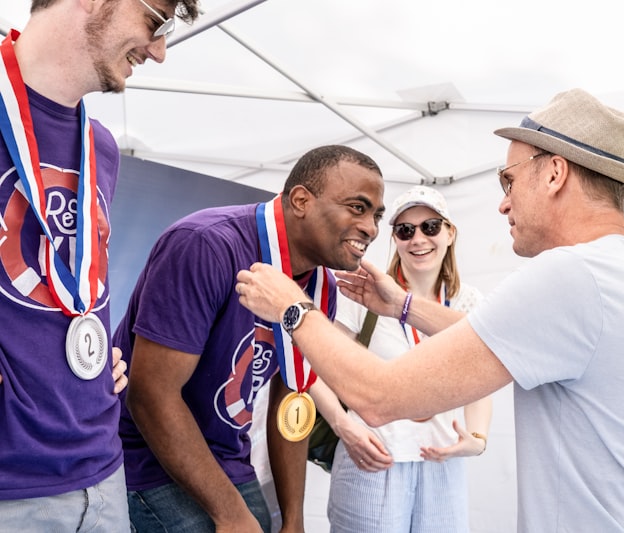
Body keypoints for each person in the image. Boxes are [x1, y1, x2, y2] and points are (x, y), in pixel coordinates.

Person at [235, 88, 624, 532]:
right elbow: (494, 335)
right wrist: (403, 306)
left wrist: (291, 307)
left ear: (555, 173)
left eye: (507, 181)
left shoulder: (572, 276)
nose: (503, 206)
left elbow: (378, 396)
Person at [0, 0, 199, 530]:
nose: (158, 51)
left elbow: (73, 279)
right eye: (156, 22)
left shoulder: (100, 147)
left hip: (102, 472)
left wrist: (87, 360)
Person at [113, 145, 385, 532]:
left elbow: (292, 399)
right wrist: (231, 515)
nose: (371, 228)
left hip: (227, 458)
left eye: (376, 215)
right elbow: (151, 395)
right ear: (302, 200)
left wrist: (293, 519)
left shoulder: (322, 287)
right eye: (358, 207)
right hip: (144, 461)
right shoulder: (206, 244)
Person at [318, 185, 492, 532]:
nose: (418, 239)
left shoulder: (467, 302)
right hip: (373, 458)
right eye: (405, 230)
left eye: (430, 226)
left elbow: (482, 379)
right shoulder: (365, 291)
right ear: (394, 238)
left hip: (442, 463)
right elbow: (319, 365)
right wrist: (344, 425)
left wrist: (476, 439)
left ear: (449, 232)